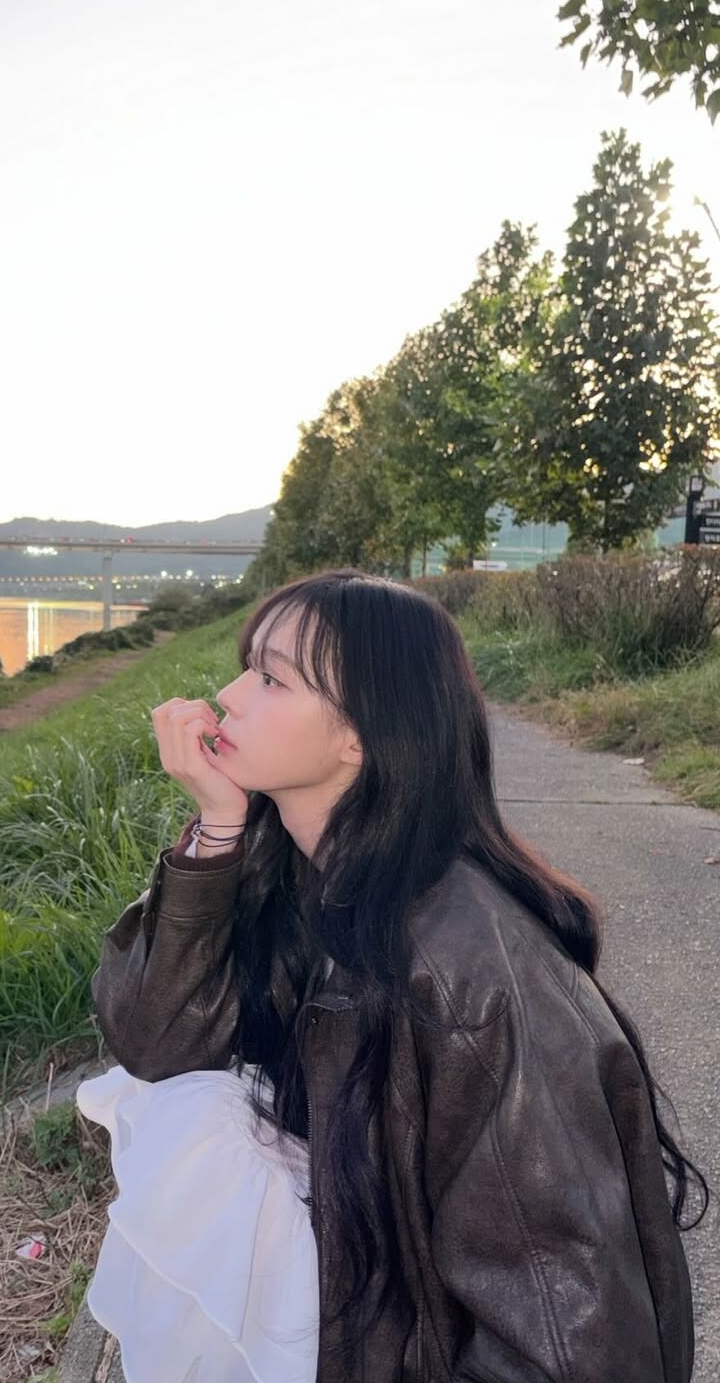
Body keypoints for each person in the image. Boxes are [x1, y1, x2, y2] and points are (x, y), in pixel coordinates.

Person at [80, 566, 709, 1383]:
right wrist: (215, 829)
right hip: (361, 1317)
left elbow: (571, 1333)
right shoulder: (290, 874)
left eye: (271, 678)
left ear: (360, 734)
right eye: (245, 667)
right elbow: (155, 1045)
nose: (228, 695)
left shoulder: (469, 973)